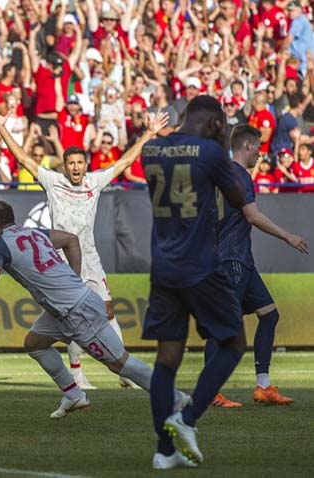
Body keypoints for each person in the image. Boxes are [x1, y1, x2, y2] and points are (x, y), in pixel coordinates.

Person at [0, 101, 168, 389]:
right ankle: (79, 374)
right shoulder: (53, 181)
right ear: (65, 165)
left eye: (80, 162)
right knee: (70, 317)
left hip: (89, 255)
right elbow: (23, 160)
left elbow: (124, 163)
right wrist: (3, 129)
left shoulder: (94, 182)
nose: (76, 168)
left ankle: (123, 372)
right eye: (71, 163)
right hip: (59, 258)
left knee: (107, 311)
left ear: (85, 165)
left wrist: (149, 134)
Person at [0, 200, 189, 420]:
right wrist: (74, 278)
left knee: (119, 363)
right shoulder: (34, 233)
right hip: (64, 309)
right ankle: (73, 394)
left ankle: (174, 398)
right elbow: (70, 240)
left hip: (77, 311)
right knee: (35, 344)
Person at [141, 95, 248, 468]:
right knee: (234, 341)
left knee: (166, 359)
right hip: (200, 265)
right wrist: (220, 145)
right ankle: (187, 420)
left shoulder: (151, 150)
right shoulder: (210, 151)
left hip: (164, 266)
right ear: (216, 123)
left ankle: (164, 451)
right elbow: (236, 195)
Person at [209, 125, 308, 408]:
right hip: (232, 259)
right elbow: (251, 215)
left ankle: (263, 386)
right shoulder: (238, 175)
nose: (260, 154)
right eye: (258, 148)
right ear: (248, 146)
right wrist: (287, 236)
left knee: (269, 314)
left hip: (240, 259)